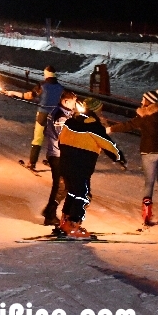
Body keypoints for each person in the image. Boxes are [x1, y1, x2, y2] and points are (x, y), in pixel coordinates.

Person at [57, 101, 126, 239]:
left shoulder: (70, 122)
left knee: (72, 192)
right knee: (83, 195)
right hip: (81, 167)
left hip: (64, 165)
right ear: (96, 111)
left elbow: (60, 141)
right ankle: (73, 225)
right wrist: (119, 158)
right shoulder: (94, 127)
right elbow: (109, 145)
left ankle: (64, 222)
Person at [107, 89, 158, 225]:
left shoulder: (143, 116)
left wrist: (110, 129)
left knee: (149, 182)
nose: (141, 101)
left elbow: (128, 125)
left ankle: (146, 214)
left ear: (148, 101)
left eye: (143, 99)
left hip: (148, 151)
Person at [5, 65, 64, 170]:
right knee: (54, 139)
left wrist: (13, 93)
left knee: (38, 139)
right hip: (56, 116)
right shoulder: (60, 88)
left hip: (43, 115)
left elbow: (29, 96)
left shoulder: (42, 85)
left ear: (46, 73)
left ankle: (32, 163)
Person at [40, 90, 77, 225]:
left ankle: (50, 211)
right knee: (61, 186)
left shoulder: (57, 112)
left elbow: (46, 130)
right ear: (66, 102)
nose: (75, 104)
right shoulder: (61, 117)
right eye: (73, 102)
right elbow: (65, 138)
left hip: (55, 153)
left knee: (62, 186)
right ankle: (50, 214)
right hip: (58, 155)